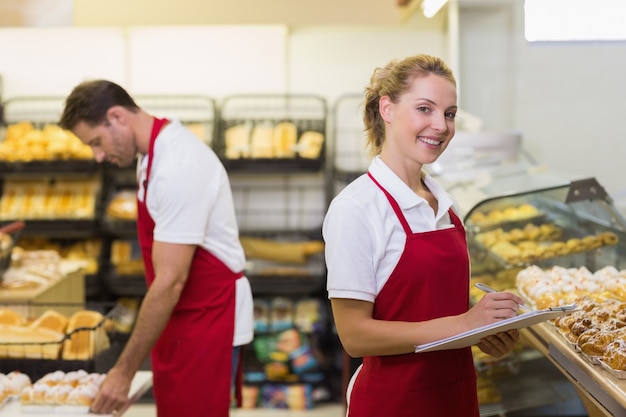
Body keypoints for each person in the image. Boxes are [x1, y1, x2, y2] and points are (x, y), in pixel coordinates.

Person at [322, 54, 525, 417]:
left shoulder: (447, 206)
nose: (441, 125)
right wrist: (464, 324)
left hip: (456, 397)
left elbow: (438, 311)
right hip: (394, 402)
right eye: (424, 109)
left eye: (449, 114)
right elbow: (354, 336)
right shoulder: (356, 207)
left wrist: (484, 334)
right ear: (387, 108)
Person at [59, 80, 254, 417]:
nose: (99, 155)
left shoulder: (178, 167)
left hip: (207, 319)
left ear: (116, 116)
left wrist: (123, 371)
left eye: (97, 142)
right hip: (181, 317)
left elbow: (170, 281)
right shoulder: (152, 154)